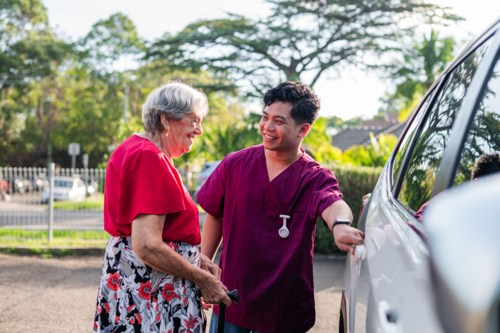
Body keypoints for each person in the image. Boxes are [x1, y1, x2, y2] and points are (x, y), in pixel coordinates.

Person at [197, 81, 365, 333]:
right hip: (232, 300)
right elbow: (215, 214)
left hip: (284, 309)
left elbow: (333, 202)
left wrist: (340, 225)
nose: (267, 127)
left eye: (279, 121)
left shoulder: (313, 177)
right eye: (265, 118)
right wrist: (204, 269)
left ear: (303, 130)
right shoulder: (235, 164)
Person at [93, 82, 231, 333]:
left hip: (140, 278)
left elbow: (156, 233)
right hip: (153, 286)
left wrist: (195, 257)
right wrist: (203, 279)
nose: (199, 130)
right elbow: (147, 244)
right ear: (166, 119)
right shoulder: (150, 157)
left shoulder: (134, 147)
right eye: (194, 121)